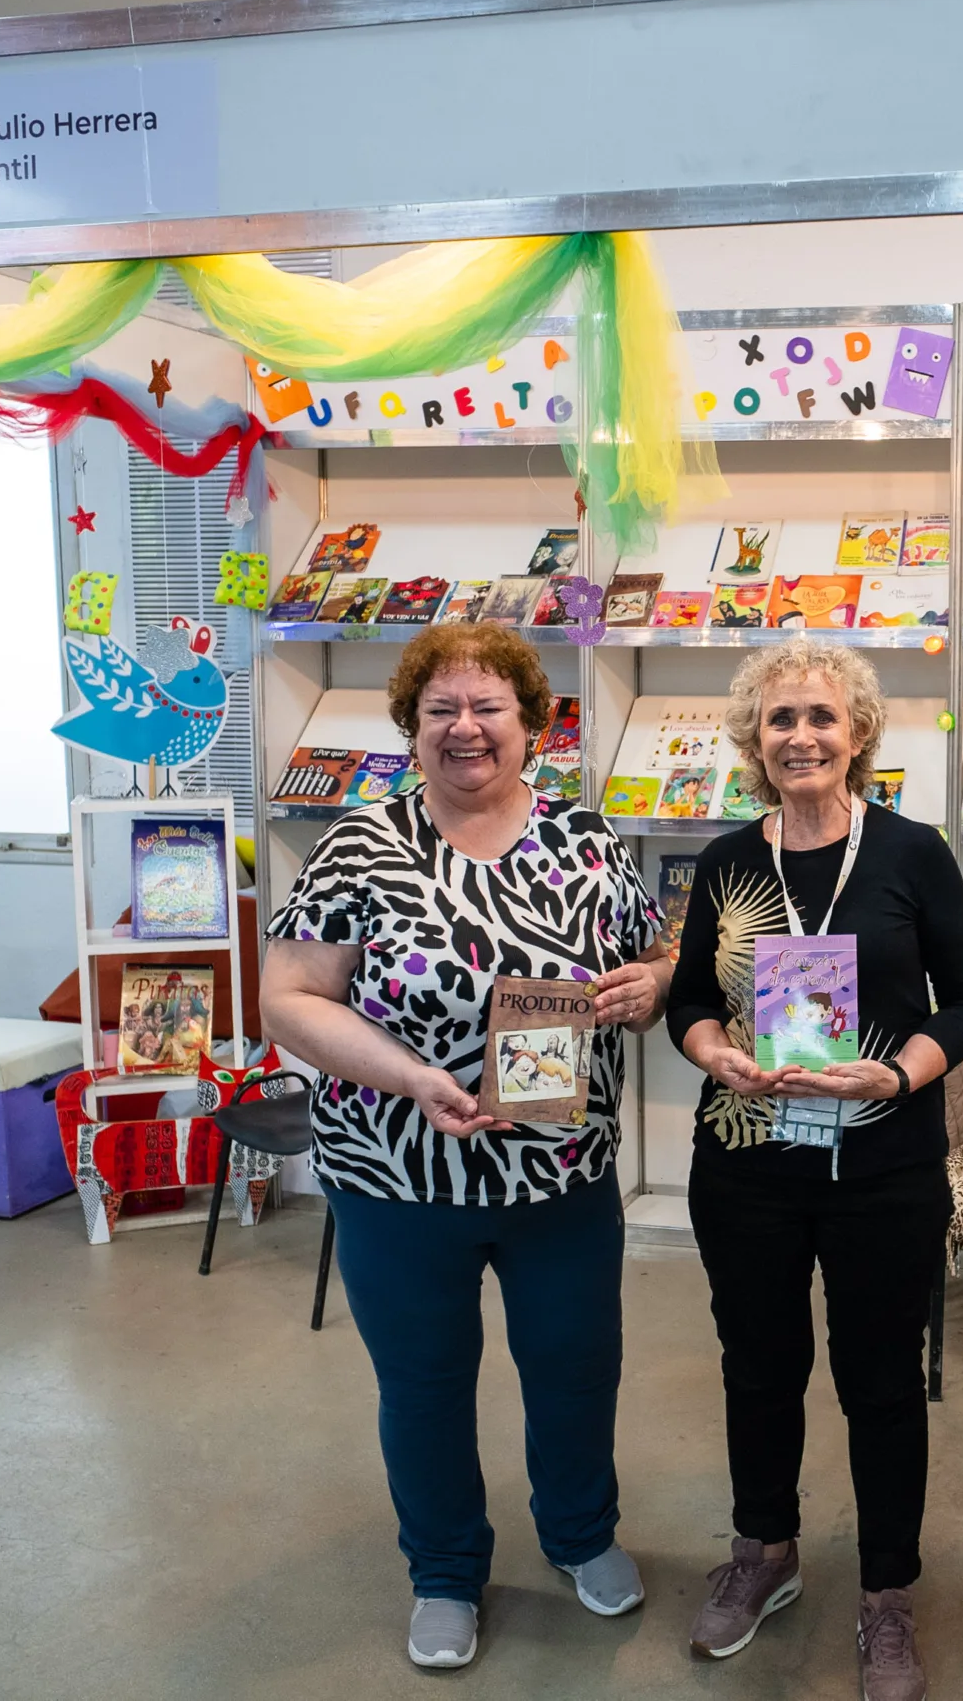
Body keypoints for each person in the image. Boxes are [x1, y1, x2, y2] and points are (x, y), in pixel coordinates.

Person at [260, 622, 671, 1671]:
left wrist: (652, 984)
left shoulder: (587, 840)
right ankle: (444, 1572)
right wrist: (414, 1079)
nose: (466, 727)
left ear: (532, 724)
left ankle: (581, 1535)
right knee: (426, 1384)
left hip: (560, 1175)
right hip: (398, 1178)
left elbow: (653, 951)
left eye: (489, 706)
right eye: (440, 708)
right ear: (412, 727)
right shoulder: (360, 846)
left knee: (576, 1370)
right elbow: (289, 1001)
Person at [664, 641, 963, 1700]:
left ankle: (886, 1599)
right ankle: (763, 1554)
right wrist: (711, 1049)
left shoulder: (910, 853)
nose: (800, 736)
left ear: (856, 731)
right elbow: (686, 999)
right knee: (758, 1369)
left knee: (880, 1384)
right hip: (747, 1163)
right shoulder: (726, 859)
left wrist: (898, 1076)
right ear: (753, 742)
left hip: (884, 1164)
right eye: (779, 721)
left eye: (820, 716)